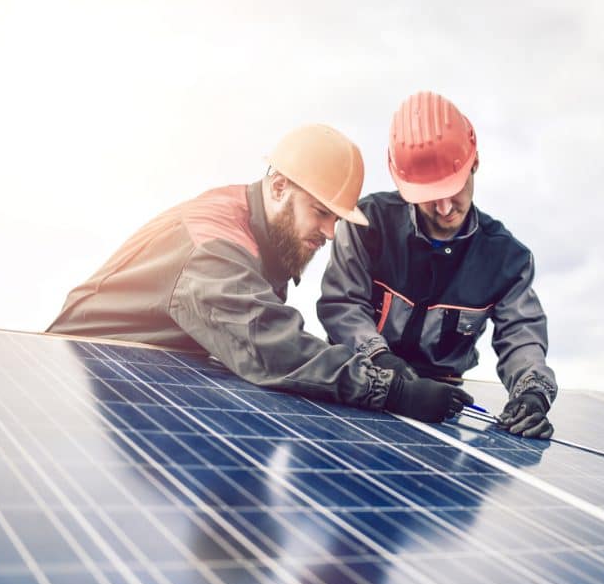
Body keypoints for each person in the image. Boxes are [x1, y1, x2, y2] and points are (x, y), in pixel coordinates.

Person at [48, 123, 471, 423]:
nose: (329, 232)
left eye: (337, 219)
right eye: (321, 212)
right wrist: (389, 390)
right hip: (78, 384)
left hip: (142, 381)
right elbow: (268, 343)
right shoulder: (213, 246)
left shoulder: (268, 235)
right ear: (279, 187)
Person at [318, 93, 557, 438]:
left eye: (454, 188)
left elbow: (522, 337)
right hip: (356, 389)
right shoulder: (367, 225)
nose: (444, 208)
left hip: (440, 408)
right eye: (429, 196)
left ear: (474, 163)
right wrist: (381, 363)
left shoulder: (507, 261)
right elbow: (342, 305)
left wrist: (532, 393)